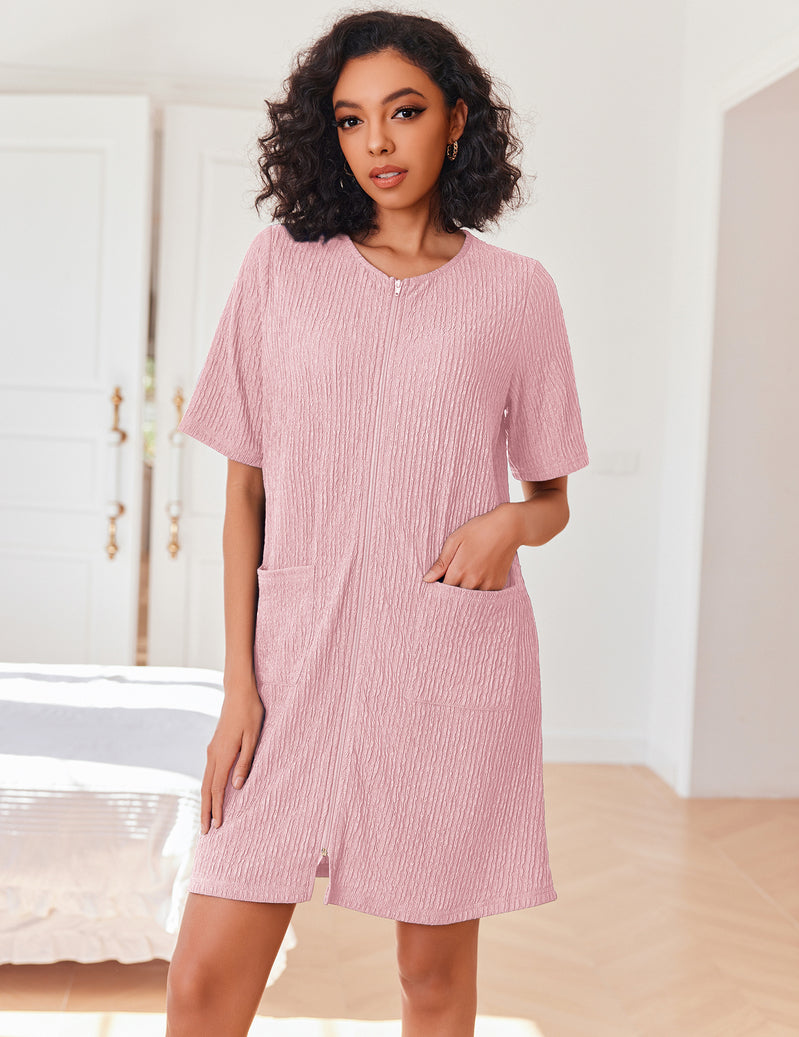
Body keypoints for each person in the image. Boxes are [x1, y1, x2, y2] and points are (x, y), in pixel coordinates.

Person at [165, 9, 589, 1037]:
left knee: (430, 981)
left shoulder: (516, 294)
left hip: (447, 669)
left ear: (456, 121)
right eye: (352, 119)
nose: (377, 143)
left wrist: (507, 524)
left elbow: (552, 498)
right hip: (292, 663)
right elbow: (245, 491)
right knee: (204, 985)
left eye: (404, 112)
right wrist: (238, 689)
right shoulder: (279, 266)